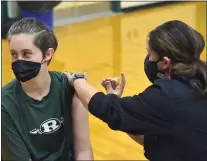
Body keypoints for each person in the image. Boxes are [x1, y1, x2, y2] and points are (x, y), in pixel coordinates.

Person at [64, 20, 207, 161]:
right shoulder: (199, 80)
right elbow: (152, 135)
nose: (148, 59)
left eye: (150, 54)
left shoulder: (168, 96)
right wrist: (122, 108)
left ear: (165, 62)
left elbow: (110, 110)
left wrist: (77, 80)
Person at [2, 18, 93, 161]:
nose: (19, 61)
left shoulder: (71, 87)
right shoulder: (4, 104)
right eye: (14, 54)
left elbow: (83, 150)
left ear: (48, 54)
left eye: (26, 54)